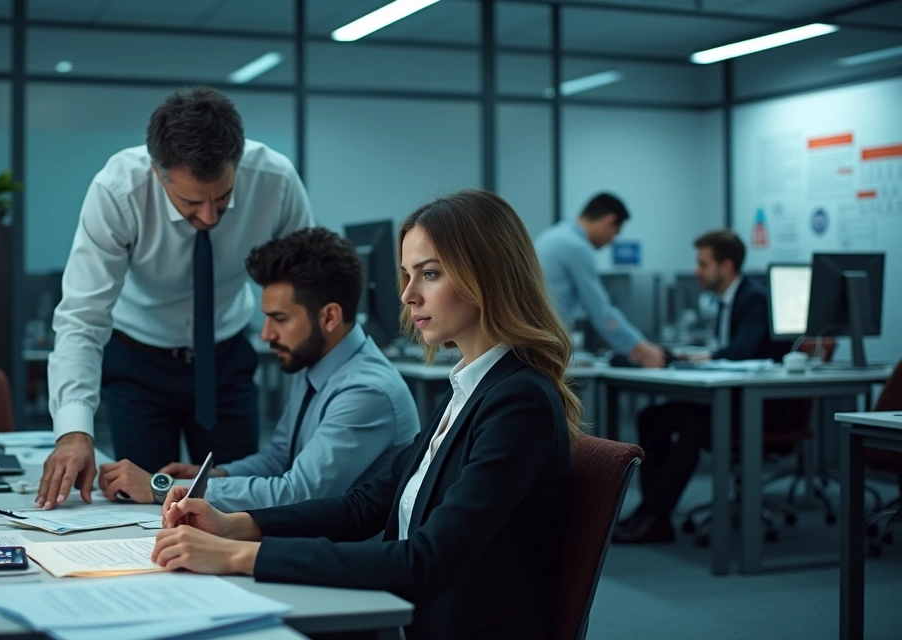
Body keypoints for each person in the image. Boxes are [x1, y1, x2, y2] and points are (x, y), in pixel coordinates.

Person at [150, 190, 583, 640]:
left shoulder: (518, 402)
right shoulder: (467, 390)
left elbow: (426, 560)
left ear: (487, 276)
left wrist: (238, 556)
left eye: (429, 274)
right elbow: (365, 506)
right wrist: (239, 525)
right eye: (406, 275)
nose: (408, 295)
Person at [38, 86, 314, 510]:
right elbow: (82, 317)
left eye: (222, 199)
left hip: (225, 360)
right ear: (156, 171)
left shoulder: (275, 181)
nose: (207, 217)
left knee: (240, 503)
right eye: (190, 201)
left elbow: (307, 287)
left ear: (237, 163)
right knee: (140, 507)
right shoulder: (117, 190)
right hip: (139, 363)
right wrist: (74, 431)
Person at [97, 228, 420, 511]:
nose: (266, 335)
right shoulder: (318, 365)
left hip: (347, 562)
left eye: (279, 319)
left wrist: (162, 489)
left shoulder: (365, 392)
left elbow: (299, 492)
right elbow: (278, 459)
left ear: (330, 317)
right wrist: (206, 478)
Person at [614, 230, 795, 544]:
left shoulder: (754, 299)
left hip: (759, 408)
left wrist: (690, 357)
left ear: (726, 266)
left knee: (692, 425)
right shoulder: (727, 301)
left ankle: (656, 516)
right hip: (731, 398)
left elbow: (740, 352)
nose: (696, 271)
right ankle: (651, 512)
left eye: (703, 264)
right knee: (651, 419)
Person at [535, 192, 666, 368]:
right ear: (609, 221)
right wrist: (642, 349)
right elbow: (602, 313)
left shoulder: (553, 236)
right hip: (543, 347)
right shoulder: (576, 246)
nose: (612, 241)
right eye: (615, 233)